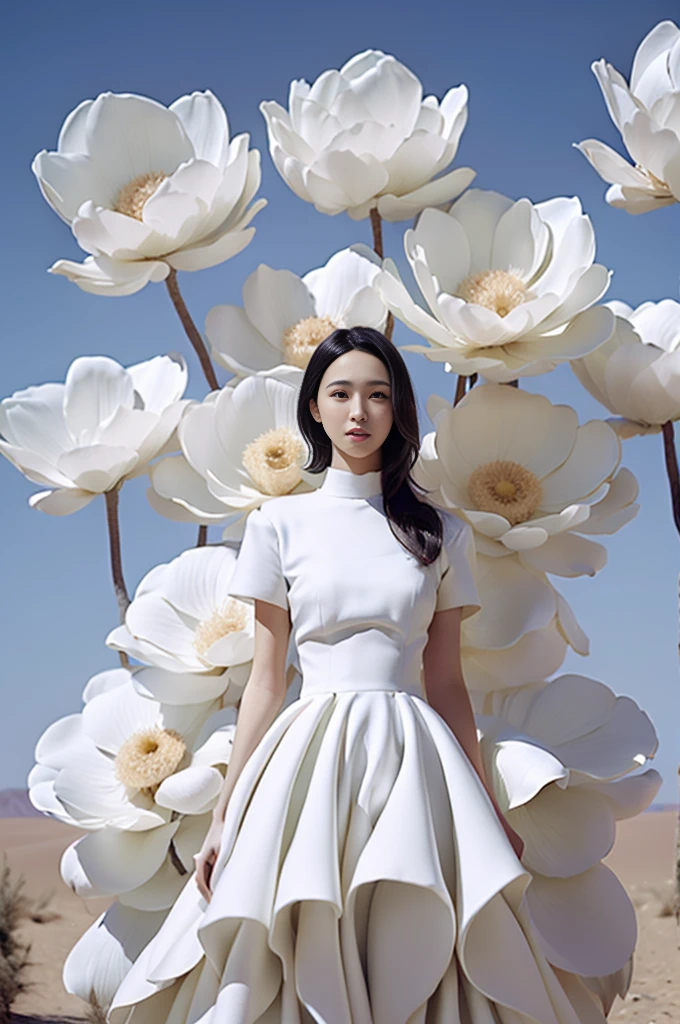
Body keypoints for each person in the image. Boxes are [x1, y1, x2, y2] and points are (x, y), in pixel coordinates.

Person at [109, 327, 608, 1023]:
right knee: (295, 928)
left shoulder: (441, 531)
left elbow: (448, 683)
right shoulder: (278, 525)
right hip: (306, 758)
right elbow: (265, 680)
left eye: (378, 395)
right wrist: (226, 812)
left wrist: (488, 806)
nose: (358, 411)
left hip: (415, 758)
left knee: (419, 933)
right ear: (313, 407)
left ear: (397, 410)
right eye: (340, 393)